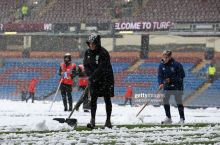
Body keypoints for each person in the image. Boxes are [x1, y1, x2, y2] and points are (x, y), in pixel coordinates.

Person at [83, 33, 114, 128]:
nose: (91, 45)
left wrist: (93, 76)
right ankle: (92, 120)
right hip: (94, 80)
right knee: (93, 99)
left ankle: (108, 121)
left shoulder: (103, 53)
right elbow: (86, 65)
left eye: (93, 43)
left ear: (97, 43)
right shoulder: (87, 53)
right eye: (90, 44)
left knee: (107, 99)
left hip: (105, 79)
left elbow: (102, 68)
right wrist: (90, 75)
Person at [158, 50, 185, 124]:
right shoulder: (161, 65)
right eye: (163, 56)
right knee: (165, 100)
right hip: (167, 87)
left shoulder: (177, 65)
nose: (164, 58)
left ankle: (182, 119)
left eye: (166, 57)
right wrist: (160, 83)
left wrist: (171, 79)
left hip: (177, 86)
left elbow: (182, 76)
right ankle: (168, 118)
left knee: (179, 102)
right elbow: (160, 75)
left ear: (170, 57)